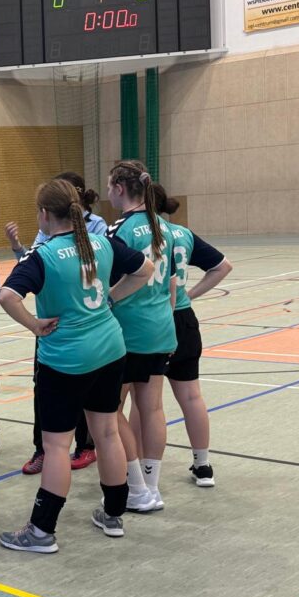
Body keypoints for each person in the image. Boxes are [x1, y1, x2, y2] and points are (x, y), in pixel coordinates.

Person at [0, 180, 153, 552]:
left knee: (55, 445)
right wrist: (110, 299)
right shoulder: (101, 243)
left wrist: (34, 325)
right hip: (110, 349)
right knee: (107, 433)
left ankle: (41, 531)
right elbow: (145, 269)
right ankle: (113, 514)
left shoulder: (43, 256)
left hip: (66, 359)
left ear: (44, 215)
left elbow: (7, 296)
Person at [4, 172, 107, 475]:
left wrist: (109, 298)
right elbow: (32, 263)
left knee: (90, 402)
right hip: (58, 330)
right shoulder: (47, 239)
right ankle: (42, 450)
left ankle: (84, 446)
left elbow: (7, 295)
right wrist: (17, 246)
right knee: (46, 393)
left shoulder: (98, 229)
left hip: (81, 327)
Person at [106, 161, 177, 512]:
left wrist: (108, 299)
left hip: (127, 331)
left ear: (120, 189)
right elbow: (172, 283)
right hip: (160, 327)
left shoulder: (120, 230)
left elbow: (107, 278)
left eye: (109, 186)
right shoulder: (164, 227)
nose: (108, 192)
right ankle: (152, 485)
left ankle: (136, 486)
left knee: (109, 409)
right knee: (153, 408)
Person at [153, 185, 233, 487]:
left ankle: (143, 473)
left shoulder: (143, 234)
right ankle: (203, 466)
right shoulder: (182, 234)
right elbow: (222, 266)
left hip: (153, 321)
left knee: (148, 403)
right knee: (191, 395)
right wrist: (190, 294)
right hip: (184, 319)